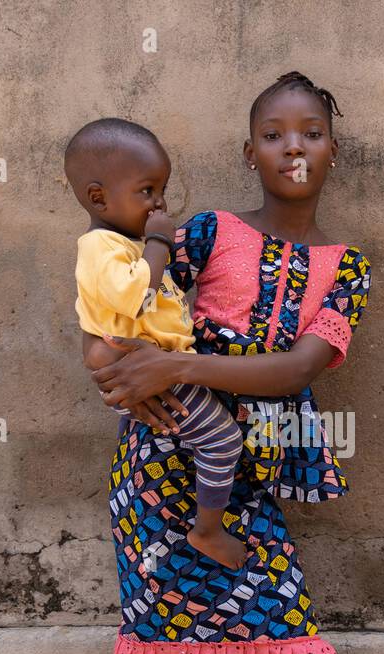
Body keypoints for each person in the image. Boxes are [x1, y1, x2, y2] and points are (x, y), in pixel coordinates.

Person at [85, 72, 384, 654]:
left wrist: (176, 366)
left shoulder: (347, 267)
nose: (293, 147)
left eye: (311, 133)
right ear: (249, 151)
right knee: (169, 643)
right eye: (274, 134)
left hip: (246, 478)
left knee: (281, 639)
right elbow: (125, 309)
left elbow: (297, 369)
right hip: (159, 472)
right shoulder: (206, 232)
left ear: (333, 149)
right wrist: (117, 368)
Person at [67, 118, 248, 569]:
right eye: (147, 190)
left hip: (155, 367)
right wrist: (160, 241)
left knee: (193, 447)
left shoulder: (123, 245)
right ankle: (207, 530)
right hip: (145, 369)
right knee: (223, 440)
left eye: (161, 190)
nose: (160, 203)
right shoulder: (101, 248)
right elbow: (135, 295)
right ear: (97, 197)